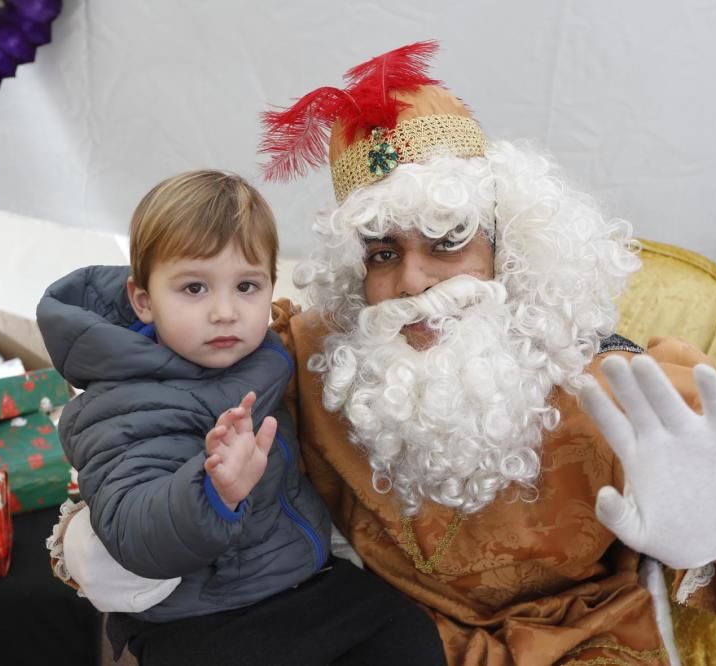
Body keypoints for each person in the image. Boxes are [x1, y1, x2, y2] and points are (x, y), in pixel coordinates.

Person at [57, 44, 716, 664]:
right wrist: (84, 535)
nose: (412, 281)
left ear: (507, 246)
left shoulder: (623, 385)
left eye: (447, 241)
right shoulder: (305, 356)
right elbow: (155, 403)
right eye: (380, 252)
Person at [36, 170, 445, 666]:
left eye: (246, 286)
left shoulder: (265, 357)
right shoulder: (119, 406)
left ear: (271, 286)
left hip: (301, 581)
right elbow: (133, 531)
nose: (225, 311)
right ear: (143, 300)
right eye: (193, 289)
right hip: (201, 615)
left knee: (403, 635)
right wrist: (213, 491)